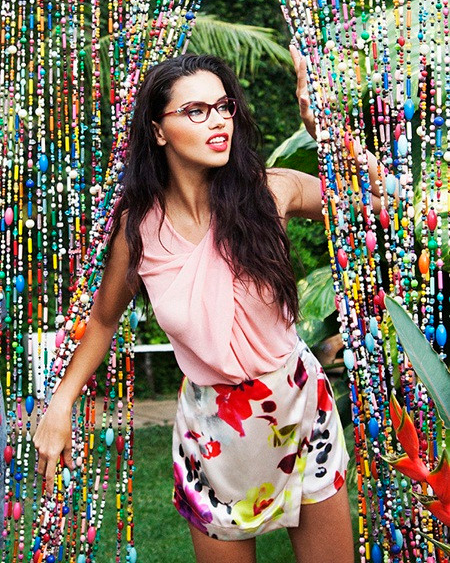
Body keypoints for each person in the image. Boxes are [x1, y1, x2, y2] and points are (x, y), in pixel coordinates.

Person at [34, 47, 383, 563]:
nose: (218, 121)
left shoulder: (271, 191)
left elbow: (376, 200)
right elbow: (104, 319)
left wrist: (327, 133)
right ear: (158, 130)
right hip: (212, 430)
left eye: (223, 107)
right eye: (196, 111)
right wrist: (61, 402)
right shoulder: (139, 228)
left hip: (298, 409)